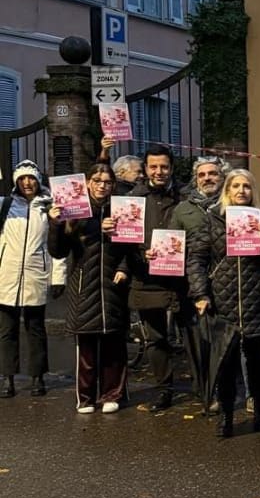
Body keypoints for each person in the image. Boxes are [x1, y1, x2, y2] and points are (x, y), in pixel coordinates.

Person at [187, 168, 260, 438]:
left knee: (256, 362)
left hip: (255, 299)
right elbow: (196, 259)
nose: (241, 191)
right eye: (236, 186)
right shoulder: (212, 220)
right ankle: (226, 415)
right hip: (223, 299)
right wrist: (200, 293)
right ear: (227, 190)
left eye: (246, 186)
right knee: (226, 363)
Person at [46, 163, 132, 413]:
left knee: (114, 344)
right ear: (88, 184)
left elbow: (131, 247)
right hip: (84, 285)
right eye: (97, 180)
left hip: (113, 285)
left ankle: (112, 394)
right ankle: (85, 398)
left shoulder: (123, 208)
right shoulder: (75, 210)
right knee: (86, 347)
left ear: (113, 185)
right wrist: (56, 224)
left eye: (107, 182)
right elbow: (58, 251)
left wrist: (124, 268)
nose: (102, 186)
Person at [126, 143, 185, 412]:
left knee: (193, 336)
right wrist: (141, 254)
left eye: (164, 166)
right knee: (155, 338)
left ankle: (205, 389)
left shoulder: (185, 196)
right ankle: (164, 390)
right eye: (153, 167)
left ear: (171, 168)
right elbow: (124, 243)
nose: (159, 171)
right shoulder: (133, 199)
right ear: (146, 169)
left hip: (182, 277)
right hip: (147, 278)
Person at [0, 160, 65, 397]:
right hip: (6, 277)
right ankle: (7, 378)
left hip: (36, 275)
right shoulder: (5, 205)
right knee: (6, 331)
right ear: (16, 182)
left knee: (36, 329)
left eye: (31, 178)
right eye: (22, 179)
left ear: (38, 181)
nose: (27, 183)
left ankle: (38, 377)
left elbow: (56, 246)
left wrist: (58, 277)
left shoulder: (49, 207)